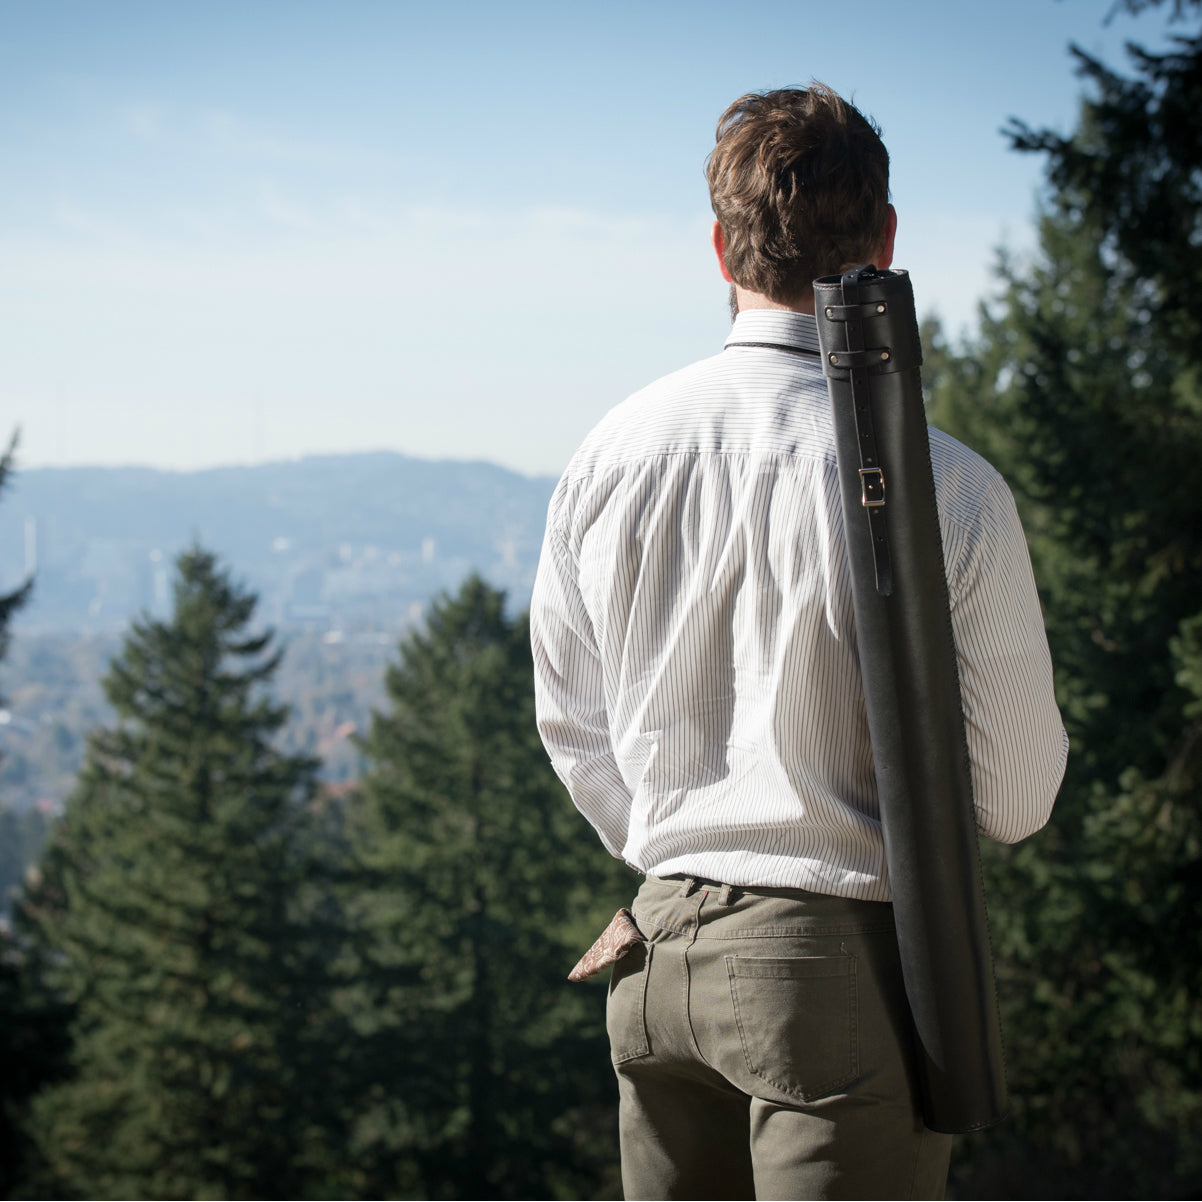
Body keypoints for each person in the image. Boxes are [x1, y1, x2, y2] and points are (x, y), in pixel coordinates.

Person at [529, 84, 1067, 1201]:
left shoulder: (606, 456)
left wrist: (690, 848)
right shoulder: (947, 484)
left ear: (720, 247)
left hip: (653, 957)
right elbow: (1015, 799)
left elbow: (572, 726)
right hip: (835, 984)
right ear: (883, 241)